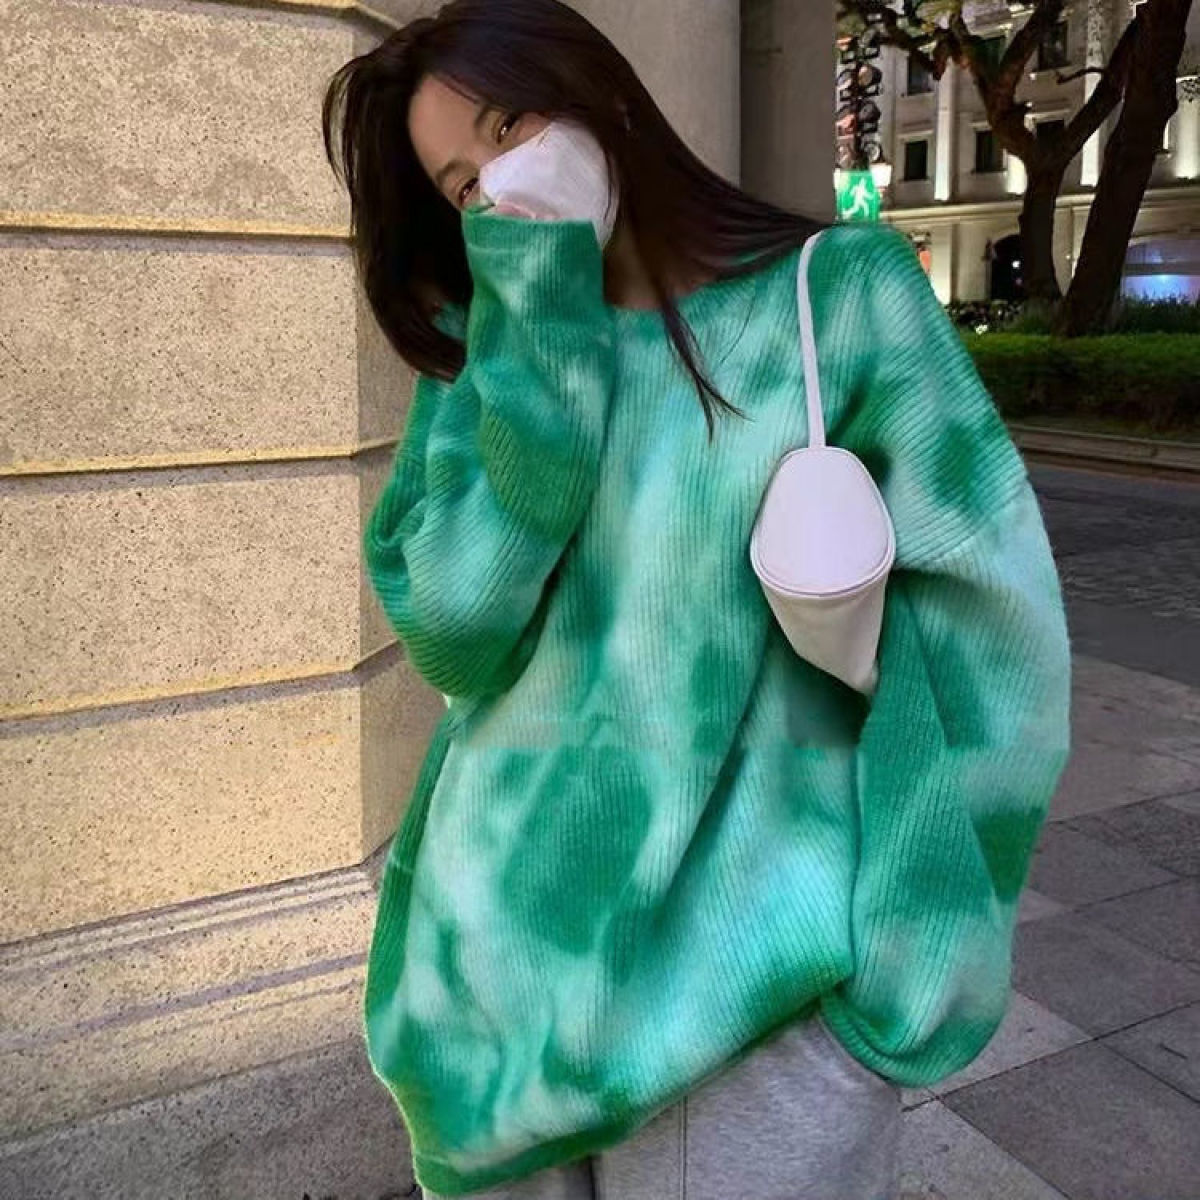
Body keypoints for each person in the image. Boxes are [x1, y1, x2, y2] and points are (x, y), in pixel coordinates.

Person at [321, 2, 1074, 1197]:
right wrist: (540, 335)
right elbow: (456, 635)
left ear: (601, 94)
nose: (499, 186)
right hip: (498, 1006)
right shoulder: (491, 353)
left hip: (752, 1002)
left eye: (510, 127)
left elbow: (997, 641)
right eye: (462, 186)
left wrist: (906, 972)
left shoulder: (841, 298)